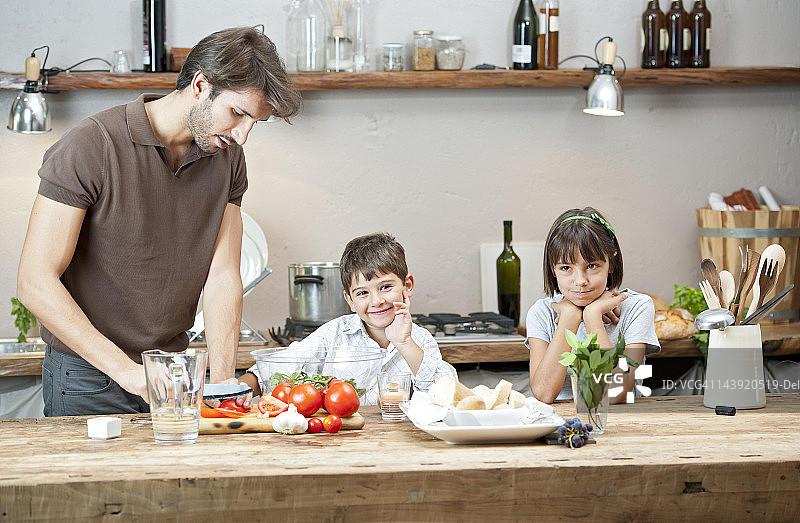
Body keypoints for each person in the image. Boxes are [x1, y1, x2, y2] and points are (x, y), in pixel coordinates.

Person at [16, 27, 302, 416]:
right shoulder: (91, 145)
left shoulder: (228, 158)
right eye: (237, 113)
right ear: (201, 85)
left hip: (173, 372)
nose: (243, 136)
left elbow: (222, 277)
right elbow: (35, 282)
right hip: (87, 376)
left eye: (255, 122)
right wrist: (128, 372)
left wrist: (221, 383)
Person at [240, 232, 458, 404]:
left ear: (407, 286)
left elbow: (446, 394)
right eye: (363, 293)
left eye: (386, 287)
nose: (376, 301)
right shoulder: (333, 334)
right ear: (350, 300)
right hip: (339, 441)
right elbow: (281, 365)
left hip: (399, 444)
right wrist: (238, 391)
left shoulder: (419, 340)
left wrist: (404, 343)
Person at [525, 207, 660, 404]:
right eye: (565, 268)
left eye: (591, 266)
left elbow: (616, 392)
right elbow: (544, 393)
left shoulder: (637, 307)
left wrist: (592, 317)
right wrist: (570, 318)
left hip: (624, 424)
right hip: (562, 427)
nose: (580, 281)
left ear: (611, 263)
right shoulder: (541, 313)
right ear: (552, 269)